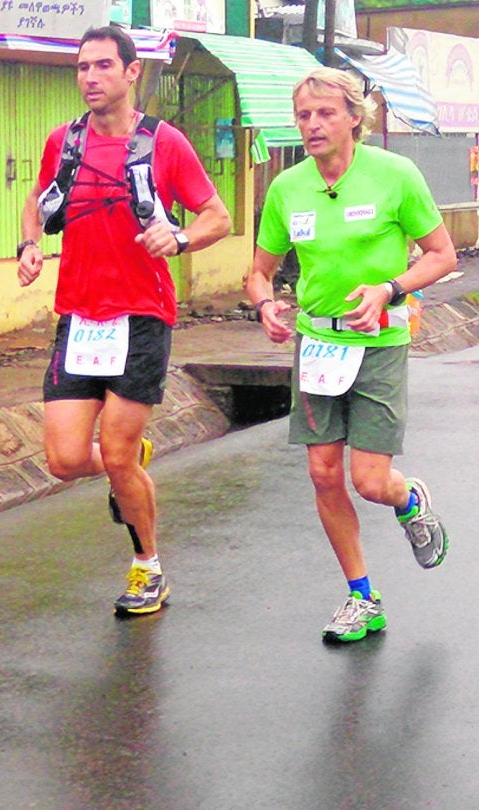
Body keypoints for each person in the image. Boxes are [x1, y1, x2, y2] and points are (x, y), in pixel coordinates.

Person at [17, 25, 231, 617]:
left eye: (103, 66)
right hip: (79, 318)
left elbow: (219, 215)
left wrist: (181, 235)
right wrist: (29, 244)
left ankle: (147, 567)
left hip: (141, 317)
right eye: (83, 67)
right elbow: (37, 200)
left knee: (113, 450)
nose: (90, 77)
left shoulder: (165, 143)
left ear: (132, 72)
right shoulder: (64, 140)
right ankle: (129, 464)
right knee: (63, 458)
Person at [246, 66, 457, 643]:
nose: (311, 125)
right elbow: (259, 272)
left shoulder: (396, 175)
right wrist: (265, 306)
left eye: (324, 113)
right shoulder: (288, 188)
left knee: (369, 480)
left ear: (353, 118)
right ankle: (362, 596)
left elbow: (442, 253)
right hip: (318, 345)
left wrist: (390, 288)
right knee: (321, 472)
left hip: (380, 342)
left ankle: (409, 498)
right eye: (303, 116)